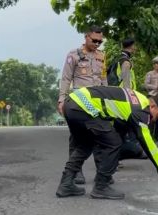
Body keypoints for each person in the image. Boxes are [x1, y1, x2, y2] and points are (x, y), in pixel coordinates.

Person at [56, 86, 158, 200]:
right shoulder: (141, 110)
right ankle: (101, 187)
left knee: (86, 144)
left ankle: (66, 184)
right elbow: (147, 142)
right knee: (113, 142)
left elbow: (118, 124)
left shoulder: (136, 100)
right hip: (84, 106)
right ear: (153, 106)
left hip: (72, 103)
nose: (154, 120)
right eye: (157, 116)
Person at [57, 25, 107, 185]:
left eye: (100, 41)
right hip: (79, 102)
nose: (97, 44)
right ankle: (76, 172)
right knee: (77, 138)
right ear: (86, 37)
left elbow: (104, 79)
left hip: (97, 101)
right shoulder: (74, 55)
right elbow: (66, 78)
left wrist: (108, 100)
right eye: (94, 40)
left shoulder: (101, 56)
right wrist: (62, 100)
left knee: (102, 136)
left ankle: (103, 172)